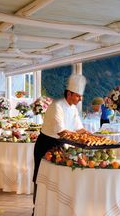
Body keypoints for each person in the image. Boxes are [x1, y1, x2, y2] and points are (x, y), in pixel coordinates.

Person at [33, 74, 88, 204]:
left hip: (61, 145)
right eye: (78, 96)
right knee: (41, 176)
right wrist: (79, 137)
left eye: (81, 96)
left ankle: (55, 207)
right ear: (69, 93)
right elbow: (62, 132)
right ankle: (38, 209)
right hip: (47, 144)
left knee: (59, 178)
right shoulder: (56, 106)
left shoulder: (73, 108)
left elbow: (79, 128)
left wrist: (93, 136)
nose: (80, 99)